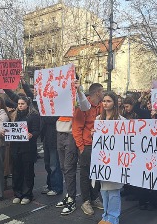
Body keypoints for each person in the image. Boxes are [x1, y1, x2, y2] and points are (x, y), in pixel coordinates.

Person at [55, 79, 91, 215]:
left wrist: (79, 90)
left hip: (70, 134)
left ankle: (71, 199)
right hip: (60, 133)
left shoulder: (78, 95)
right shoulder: (60, 95)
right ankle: (69, 194)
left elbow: (85, 106)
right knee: (64, 167)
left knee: (69, 167)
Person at [73, 83, 104, 216]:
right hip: (86, 146)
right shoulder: (82, 107)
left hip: (98, 145)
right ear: (97, 93)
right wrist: (81, 147)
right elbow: (76, 128)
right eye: (102, 91)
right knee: (85, 174)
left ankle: (94, 197)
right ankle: (86, 201)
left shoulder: (102, 106)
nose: (103, 94)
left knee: (97, 173)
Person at [93, 92, 124, 224]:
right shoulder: (98, 119)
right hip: (102, 159)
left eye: (109, 101)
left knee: (114, 190)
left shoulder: (121, 121)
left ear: (115, 103)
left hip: (115, 160)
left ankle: (113, 218)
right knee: (104, 190)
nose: (105, 103)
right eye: (104, 101)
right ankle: (105, 215)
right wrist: (93, 134)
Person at [11, 96, 40, 205]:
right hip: (16, 147)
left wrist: (32, 134)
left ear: (27, 104)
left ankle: (27, 194)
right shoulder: (14, 115)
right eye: (19, 104)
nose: (20, 106)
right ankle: (17, 193)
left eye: (22, 104)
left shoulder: (34, 116)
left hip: (28, 148)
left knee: (27, 172)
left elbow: (37, 130)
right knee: (16, 171)